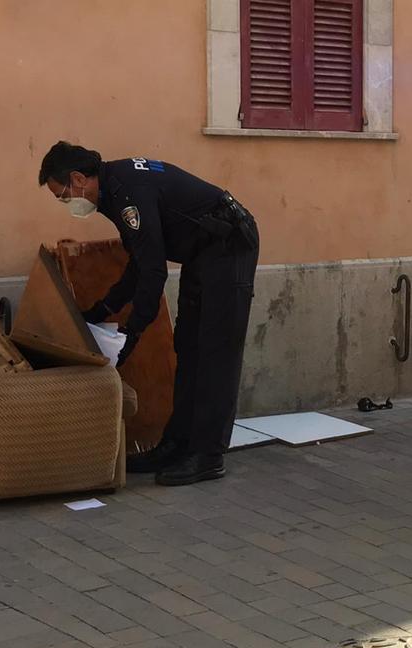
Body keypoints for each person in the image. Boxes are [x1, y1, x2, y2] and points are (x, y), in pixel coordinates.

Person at [38, 141, 259, 486]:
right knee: (188, 346)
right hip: (203, 252)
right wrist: (102, 310)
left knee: (215, 352)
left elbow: (153, 271)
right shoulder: (114, 190)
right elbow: (138, 265)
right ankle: (177, 444)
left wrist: (132, 331)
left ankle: (207, 456)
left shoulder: (128, 193)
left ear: (79, 178)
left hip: (228, 245)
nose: (67, 203)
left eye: (63, 195)